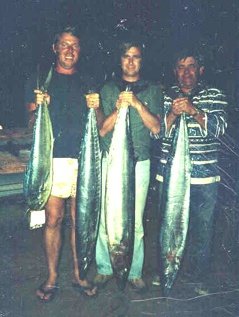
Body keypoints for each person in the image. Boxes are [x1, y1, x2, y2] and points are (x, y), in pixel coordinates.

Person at [25, 26, 102, 301]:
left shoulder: (88, 81)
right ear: (55, 48)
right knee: (54, 219)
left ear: (79, 51)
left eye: (75, 46)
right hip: (54, 161)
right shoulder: (42, 82)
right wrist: (38, 107)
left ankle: (79, 275)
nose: (70, 50)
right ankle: (52, 276)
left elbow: (101, 126)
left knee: (80, 220)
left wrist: (97, 106)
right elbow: (32, 126)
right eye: (65, 45)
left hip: (85, 161)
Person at [154, 49, 228, 289]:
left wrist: (194, 111)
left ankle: (198, 276)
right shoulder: (164, 97)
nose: (186, 72)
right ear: (175, 72)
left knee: (202, 229)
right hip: (170, 176)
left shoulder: (215, 95)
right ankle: (166, 269)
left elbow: (221, 130)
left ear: (201, 70)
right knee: (167, 225)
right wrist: (173, 114)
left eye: (192, 66)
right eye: (181, 67)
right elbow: (156, 132)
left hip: (205, 178)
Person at [92, 40, 162, 292]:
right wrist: (119, 107)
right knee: (105, 218)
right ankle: (104, 268)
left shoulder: (153, 89)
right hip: (111, 161)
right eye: (126, 56)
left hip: (139, 163)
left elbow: (156, 127)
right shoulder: (108, 88)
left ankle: (133, 271)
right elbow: (102, 130)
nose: (131, 61)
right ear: (119, 59)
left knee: (136, 221)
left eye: (136, 56)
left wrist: (136, 104)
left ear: (142, 60)